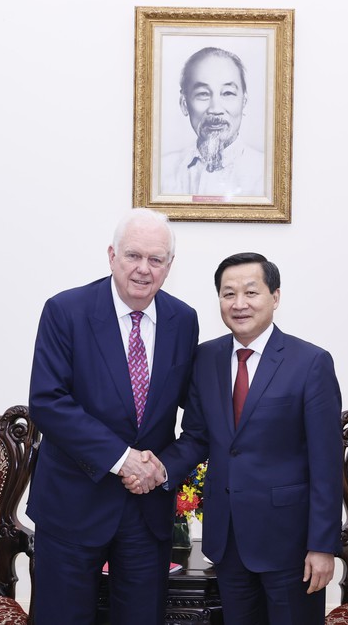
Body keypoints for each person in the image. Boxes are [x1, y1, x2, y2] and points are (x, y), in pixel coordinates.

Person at [126, 252, 343, 625]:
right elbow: (196, 437)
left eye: (251, 292)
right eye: (228, 294)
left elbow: (326, 463)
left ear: (275, 297)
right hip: (227, 541)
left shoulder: (310, 362)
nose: (239, 303)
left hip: (290, 544)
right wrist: (159, 469)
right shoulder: (205, 358)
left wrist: (322, 546)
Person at [26, 208, 199, 625]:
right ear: (112, 255)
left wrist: (162, 468)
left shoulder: (183, 320)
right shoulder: (66, 311)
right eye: (133, 255)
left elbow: (196, 419)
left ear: (169, 265)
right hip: (71, 506)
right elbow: (48, 401)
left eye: (156, 259)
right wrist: (123, 459)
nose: (143, 269)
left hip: (146, 513)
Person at [161, 47, 265, 199]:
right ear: (184, 104)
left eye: (228, 93)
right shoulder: (162, 172)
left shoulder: (267, 175)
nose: (215, 109)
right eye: (203, 94)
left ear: (244, 102)